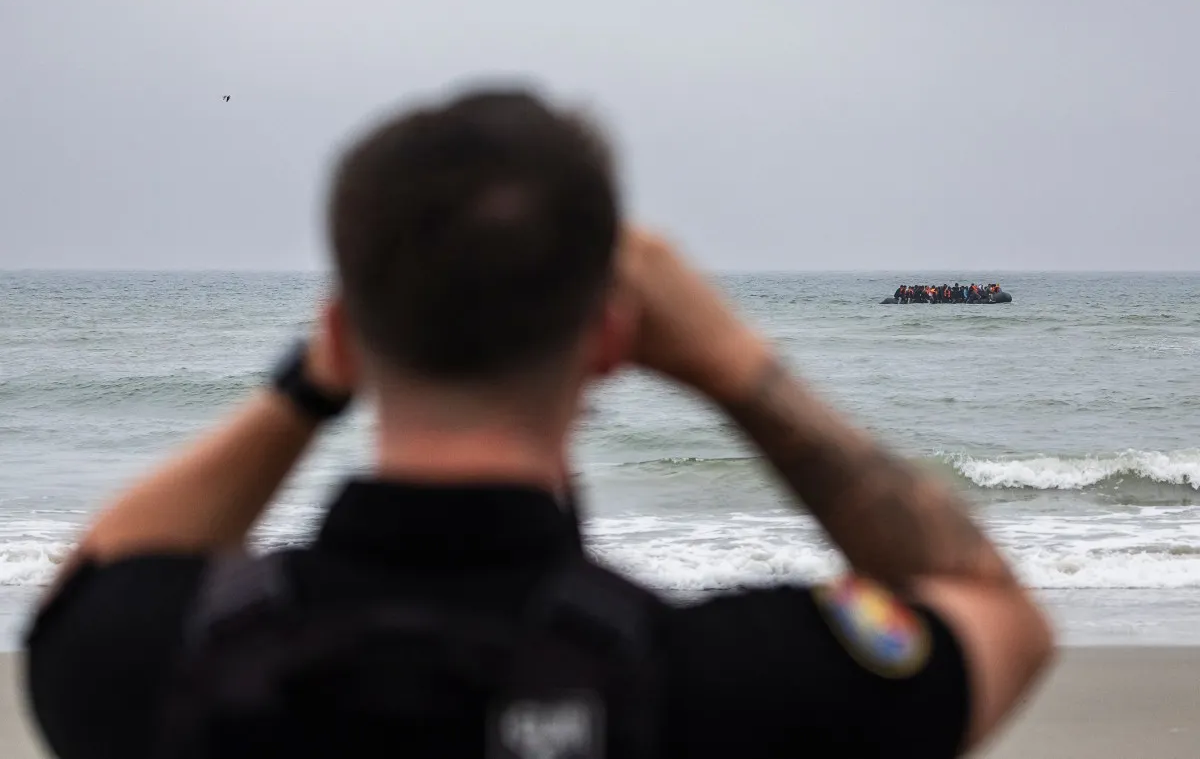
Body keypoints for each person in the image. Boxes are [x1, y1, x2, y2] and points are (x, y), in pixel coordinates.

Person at [24, 88, 1054, 759]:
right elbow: (994, 609)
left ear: (338, 333)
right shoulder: (725, 686)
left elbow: (90, 588)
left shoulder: (167, 665)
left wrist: (305, 390)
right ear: (612, 338)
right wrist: (736, 367)